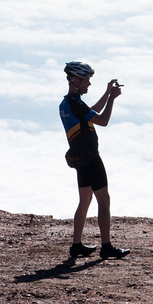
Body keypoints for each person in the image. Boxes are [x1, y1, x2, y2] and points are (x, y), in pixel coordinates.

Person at [59, 61, 130, 259]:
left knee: (84, 201)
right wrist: (113, 99)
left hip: (79, 158)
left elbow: (89, 114)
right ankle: (106, 247)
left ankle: (76, 245)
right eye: (86, 80)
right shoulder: (76, 104)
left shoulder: (68, 103)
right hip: (91, 158)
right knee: (103, 200)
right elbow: (102, 120)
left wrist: (107, 93)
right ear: (75, 80)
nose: (88, 84)